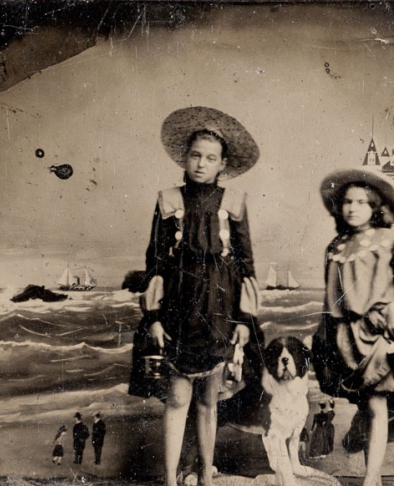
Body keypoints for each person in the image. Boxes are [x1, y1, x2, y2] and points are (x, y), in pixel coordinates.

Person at [131, 107, 264, 486]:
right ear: (184, 158)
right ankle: (171, 480)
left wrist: (244, 322)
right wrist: (154, 317)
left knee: (209, 400)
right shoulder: (168, 199)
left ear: (223, 164)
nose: (201, 164)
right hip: (178, 306)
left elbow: (246, 264)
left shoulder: (233, 202)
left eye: (210, 158)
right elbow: (155, 261)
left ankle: (207, 474)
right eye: (194, 155)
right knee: (176, 399)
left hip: (221, 307)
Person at [313, 169, 394, 486]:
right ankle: (374, 477)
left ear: (375, 208)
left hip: (380, 330)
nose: (352, 208)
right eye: (346, 202)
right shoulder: (335, 246)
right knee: (366, 405)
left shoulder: (389, 239)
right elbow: (332, 298)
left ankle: (372, 478)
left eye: (361, 202)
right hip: (345, 336)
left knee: (376, 402)